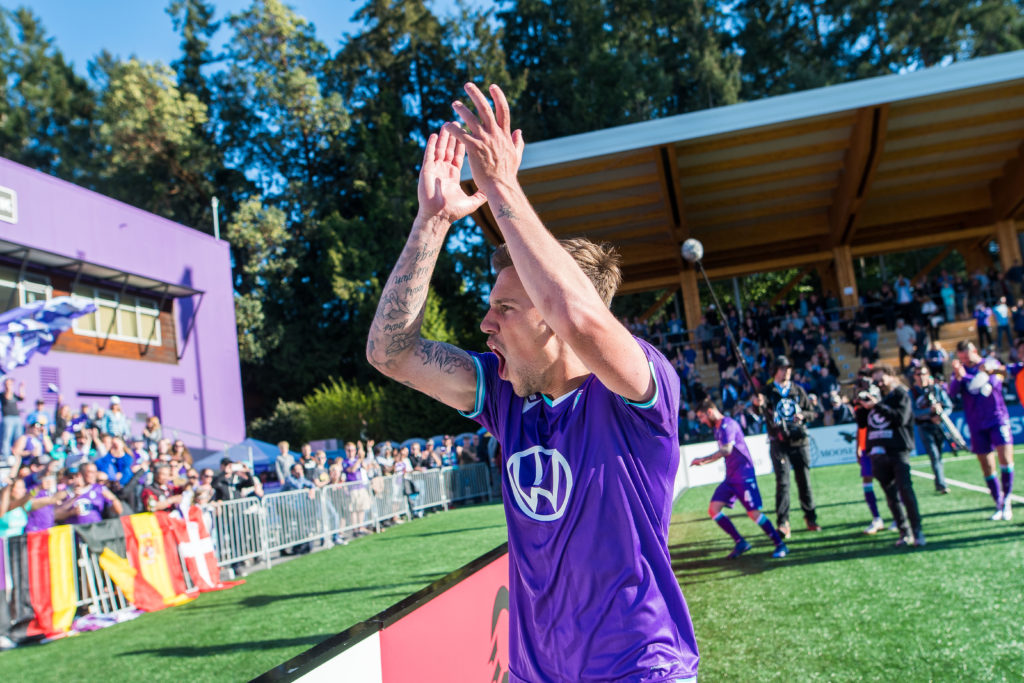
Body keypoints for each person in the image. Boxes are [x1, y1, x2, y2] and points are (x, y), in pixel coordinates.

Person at [366, 85, 698, 682]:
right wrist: (432, 221)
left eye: (507, 310)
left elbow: (582, 317)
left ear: (551, 317)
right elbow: (391, 352)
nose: (485, 324)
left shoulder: (637, 391)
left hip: (640, 669)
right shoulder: (504, 396)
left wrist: (500, 188)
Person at [691, 399, 788, 559]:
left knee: (753, 513)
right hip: (731, 477)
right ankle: (740, 542)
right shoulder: (716, 427)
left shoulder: (728, 424)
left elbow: (727, 450)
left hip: (744, 476)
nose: (701, 421)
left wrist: (703, 460)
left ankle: (780, 545)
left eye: (702, 417)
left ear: (710, 412)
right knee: (713, 509)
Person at [752, 355, 821, 538]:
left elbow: (812, 412)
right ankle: (783, 522)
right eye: (783, 369)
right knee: (783, 483)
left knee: (804, 480)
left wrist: (803, 416)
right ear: (775, 370)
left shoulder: (797, 390)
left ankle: (810, 517)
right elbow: (758, 410)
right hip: (778, 442)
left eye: (789, 369)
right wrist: (757, 404)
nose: (787, 372)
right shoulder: (767, 391)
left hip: (799, 440)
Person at [948, 341, 1015, 520]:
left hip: (997, 418)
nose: (965, 361)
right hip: (975, 423)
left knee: (1006, 459)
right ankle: (998, 502)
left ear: (974, 351)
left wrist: (965, 377)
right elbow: (952, 393)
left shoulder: (990, 364)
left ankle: (1007, 499)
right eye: (961, 358)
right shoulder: (960, 371)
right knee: (986, 465)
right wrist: (957, 376)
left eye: (966, 356)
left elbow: (987, 385)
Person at [860, 364, 925, 547]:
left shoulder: (900, 395)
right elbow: (863, 423)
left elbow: (900, 419)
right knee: (891, 496)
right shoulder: (876, 395)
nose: (879, 384)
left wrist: (877, 405)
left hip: (898, 450)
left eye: (882, 379)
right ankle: (904, 532)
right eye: (876, 380)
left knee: (905, 490)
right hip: (877, 452)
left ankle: (917, 530)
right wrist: (862, 406)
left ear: (891, 376)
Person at [910, 366, 952, 494]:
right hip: (924, 426)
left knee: (939, 455)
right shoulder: (912, 392)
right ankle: (941, 484)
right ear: (914, 376)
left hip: (938, 425)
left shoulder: (936, 389)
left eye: (923, 373)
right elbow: (912, 412)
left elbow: (948, 406)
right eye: (918, 374)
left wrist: (940, 415)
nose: (921, 376)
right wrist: (929, 412)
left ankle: (940, 482)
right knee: (934, 455)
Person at [56, 463, 123, 524]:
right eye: (91, 472)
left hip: (94, 531)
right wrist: (71, 513)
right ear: (80, 474)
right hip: (76, 532)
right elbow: (55, 515)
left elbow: (118, 511)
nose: (94, 475)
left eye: (95, 472)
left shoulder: (100, 489)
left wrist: (113, 499)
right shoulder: (67, 491)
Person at [0, 377, 25, 461]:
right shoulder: (3, 394)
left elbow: (22, 397)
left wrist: (21, 388)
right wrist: (9, 388)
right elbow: (8, 398)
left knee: (18, 437)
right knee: (7, 437)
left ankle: (17, 454)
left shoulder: (14, 394)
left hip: (16, 417)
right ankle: (5, 456)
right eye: (8, 384)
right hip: (8, 418)